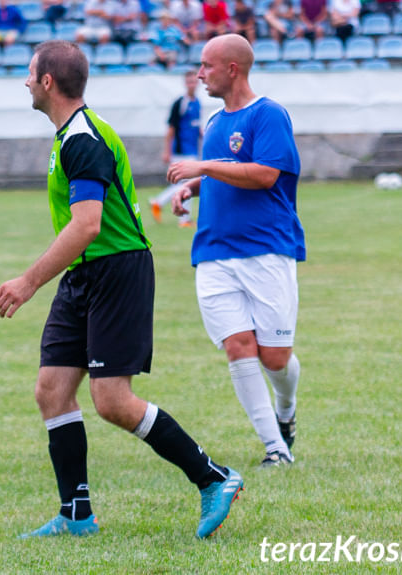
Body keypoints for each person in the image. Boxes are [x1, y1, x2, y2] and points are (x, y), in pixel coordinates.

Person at [0, 39, 243, 540]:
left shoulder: (83, 139)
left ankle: (213, 478)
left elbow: (87, 224)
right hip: (84, 273)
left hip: (117, 271)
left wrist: (28, 282)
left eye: (29, 72)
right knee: (52, 390)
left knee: (112, 400)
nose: (23, 81)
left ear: (46, 82)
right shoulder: (68, 136)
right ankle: (76, 512)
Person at [167, 34, 303, 467]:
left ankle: (286, 411)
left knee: (275, 357)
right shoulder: (214, 123)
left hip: (266, 250)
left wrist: (202, 167)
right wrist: (193, 186)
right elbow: (224, 175)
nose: (200, 73)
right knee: (238, 346)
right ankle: (275, 449)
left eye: (206, 65)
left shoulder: (269, 115)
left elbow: (263, 175)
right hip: (213, 251)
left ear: (232, 69)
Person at [149, 67, 202, 227]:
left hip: (192, 148)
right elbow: (171, 128)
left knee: (183, 183)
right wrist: (167, 150)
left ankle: (181, 217)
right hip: (181, 150)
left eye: (194, 81)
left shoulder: (197, 103)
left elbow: (195, 126)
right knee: (187, 183)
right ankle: (162, 203)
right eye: (189, 81)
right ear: (185, 83)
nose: (192, 84)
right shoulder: (180, 103)